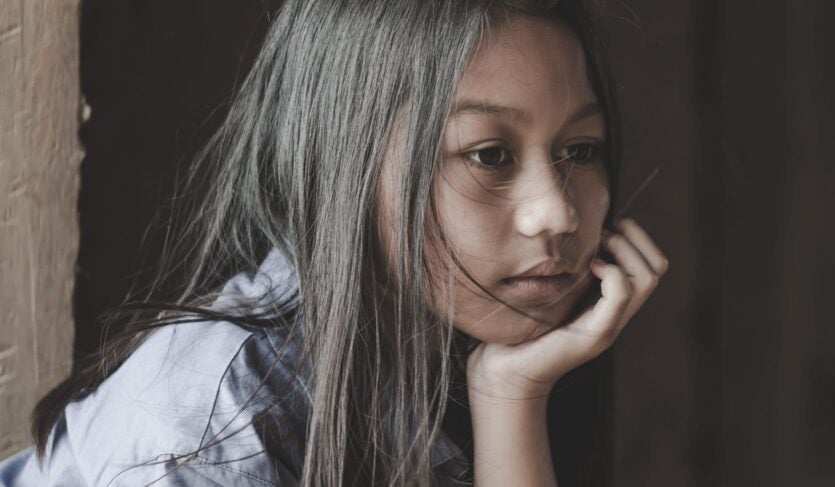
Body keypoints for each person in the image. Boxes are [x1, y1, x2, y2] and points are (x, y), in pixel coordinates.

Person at [0, 0, 668, 485]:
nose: (556, 213)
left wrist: (510, 401)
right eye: (490, 154)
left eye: (580, 149)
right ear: (343, 162)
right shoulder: (210, 434)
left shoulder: (455, 358)